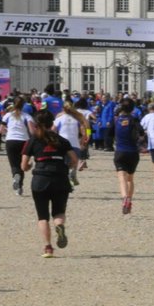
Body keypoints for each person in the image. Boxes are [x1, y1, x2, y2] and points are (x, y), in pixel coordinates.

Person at [21, 109, 79, 258]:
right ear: (52, 123)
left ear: (36, 124)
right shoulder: (61, 140)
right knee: (59, 212)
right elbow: (74, 159)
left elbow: (24, 165)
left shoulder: (32, 140)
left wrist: (28, 167)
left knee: (42, 216)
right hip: (60, 177)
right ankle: (59, 226)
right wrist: (70, 166)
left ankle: (48, 248)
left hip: (40, 179)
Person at [110, 99, 142, 215]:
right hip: (133, 152)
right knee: (130, 179)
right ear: (133, 109)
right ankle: (130, 198)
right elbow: (141, 132)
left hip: (120, 151)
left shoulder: (116, 120)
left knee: (121, 178)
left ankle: (125, 198)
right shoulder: (134, 119)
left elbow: (109, 133)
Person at [52, 97, 89, 187]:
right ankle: (72, 173)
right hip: (74, 144)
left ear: (63, 108)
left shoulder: (59, 117)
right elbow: (86, 128)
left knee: (63, 165)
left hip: (62, 143)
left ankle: (66, 181)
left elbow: (53, 131)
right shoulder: (79, 117)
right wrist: (86, 139)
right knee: (73, 162)